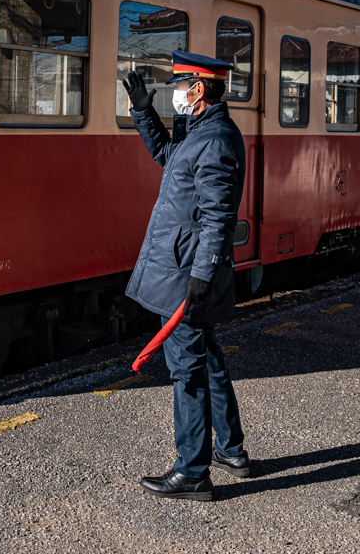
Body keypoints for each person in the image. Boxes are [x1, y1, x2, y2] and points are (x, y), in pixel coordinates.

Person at [122, 51, 251, 501]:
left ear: (197, 90)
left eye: (180, 85)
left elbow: (218, 217)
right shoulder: (202, 131)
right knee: (207, 358)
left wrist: (201, 275)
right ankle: (231, 451)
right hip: (187, 265)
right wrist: (143, 112)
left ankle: (192, 471)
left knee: (188, 370)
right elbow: (165, 154)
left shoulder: (213, 139)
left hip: (185, 271)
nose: (176, 92)